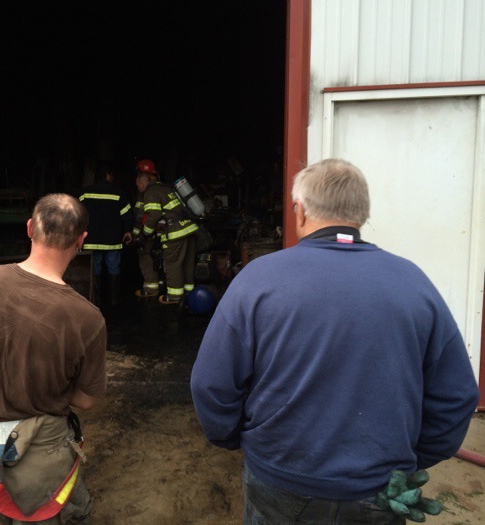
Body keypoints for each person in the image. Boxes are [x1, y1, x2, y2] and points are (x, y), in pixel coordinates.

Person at [190, 159, 479, 524]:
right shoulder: (413, 282)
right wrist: (408, 461)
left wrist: (236, 439)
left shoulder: (257, 279)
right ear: (362, 214)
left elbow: (210, 384)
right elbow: (457, 396)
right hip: (379, 492)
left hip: (280, 484)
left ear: (300, 211)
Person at [0, 194, 107, 524]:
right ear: (82, 241)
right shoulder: (87, 318)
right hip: (40, 460)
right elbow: (86, 401)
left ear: (30, 228)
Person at [136, 159, 199, 304]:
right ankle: (189, 294)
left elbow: (154, 216)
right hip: (189, 228)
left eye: (138, 186)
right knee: (188, 263)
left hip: (175, 232)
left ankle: (174, 297)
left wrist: (145, 234)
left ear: (142, 183)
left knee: (173, 263)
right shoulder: (167, 188)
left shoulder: (150, 192)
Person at [79, 164, 133, 307]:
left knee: (95, 269)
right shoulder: (118, 193)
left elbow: (76, 214)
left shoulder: (85, 193)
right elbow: (127, 215)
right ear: (108, 175)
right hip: (112, 240)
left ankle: (95, 301)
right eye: (112, 175)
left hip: (92, 240)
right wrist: (127, 230)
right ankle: (114, 301)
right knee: (114, 268)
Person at [132, 160, 161, 299]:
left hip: (149, 232)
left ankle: (150, 289)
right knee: (161, 260)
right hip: (164, 232)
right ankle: (160, 284)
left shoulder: (146, 192)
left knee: (146, 258)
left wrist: (138, 236)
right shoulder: (160, 188)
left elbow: (140, 216)